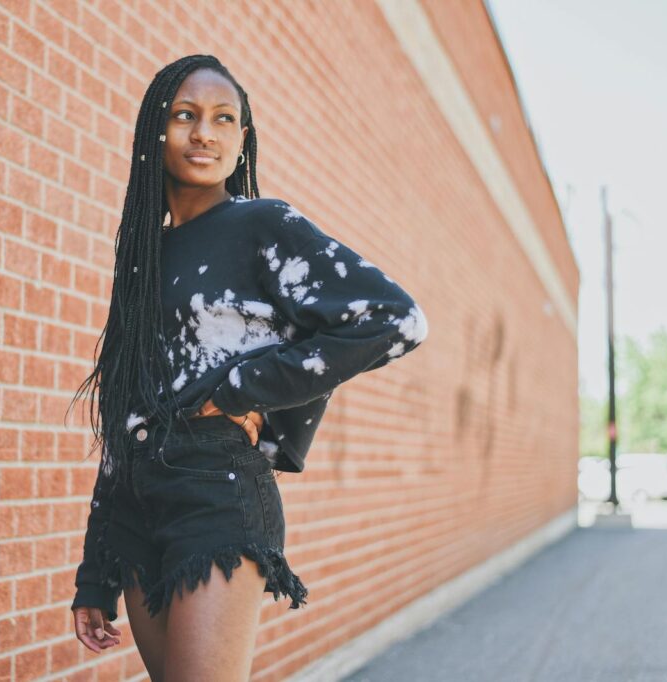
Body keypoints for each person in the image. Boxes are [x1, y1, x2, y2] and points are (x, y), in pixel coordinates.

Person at [67, 54, 429, 680]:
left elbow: (396, 320)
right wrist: (95, 571)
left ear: (241, 140)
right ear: (157, 128)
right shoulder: (141, 258)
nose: (203, 133)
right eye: (186, 116)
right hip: (136, 504)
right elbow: (121, 415)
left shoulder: (261, 225)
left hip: (216, 491)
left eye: (223, 119)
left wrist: (243, 387)